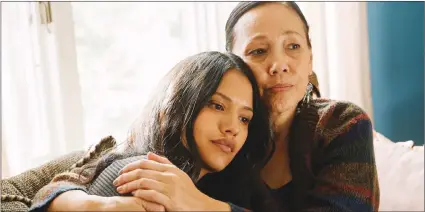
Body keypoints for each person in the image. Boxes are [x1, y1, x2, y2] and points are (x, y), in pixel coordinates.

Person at [111, 2, 380, 211]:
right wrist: (81, 201)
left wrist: (199, 204)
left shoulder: (342, 124)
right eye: (259, 51)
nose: (279, 65)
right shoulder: (213, 130)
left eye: (293, 46)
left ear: (310, 59)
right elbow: (88, 169)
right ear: (233, 64)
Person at [28, 51, 273, 211]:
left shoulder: (205, 189)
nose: (232, 127)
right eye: (217, 105)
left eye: (244, 118)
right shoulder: (145, 175)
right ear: (176, 104)